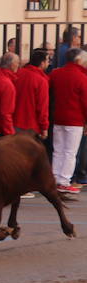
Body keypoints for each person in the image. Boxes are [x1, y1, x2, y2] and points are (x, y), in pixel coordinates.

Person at [49, 49, 87, 191]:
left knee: (58, 150)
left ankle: (55, 178)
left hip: (58, 117)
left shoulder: (56, 73)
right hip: (75, 120)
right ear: (78, 60)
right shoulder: (82, 77)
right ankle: (64, 181)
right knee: (70, 152)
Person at [14, 48, 50, 138]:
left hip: (13, 120)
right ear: (42, 63)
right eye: (47, 61)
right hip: (30, 124)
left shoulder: (18, 73)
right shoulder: (41, 80)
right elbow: (42, 106)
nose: (49, 63)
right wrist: (44, 127)